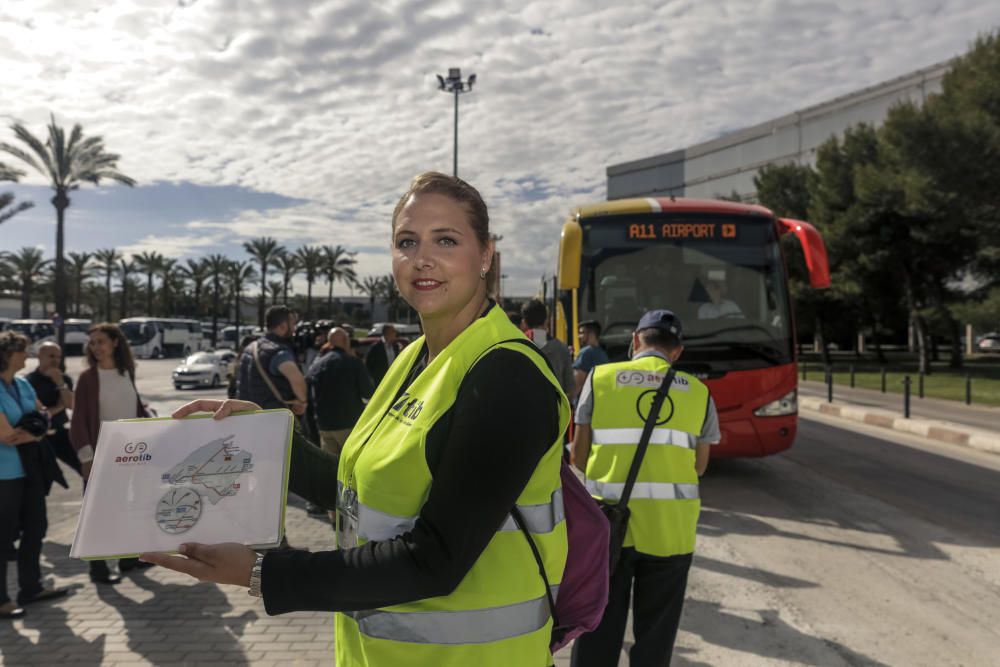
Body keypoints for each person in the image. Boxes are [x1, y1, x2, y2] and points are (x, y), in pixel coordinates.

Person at [143, 171, 571, 667]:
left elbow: (434, 562)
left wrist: (264, 573)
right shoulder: (414, 359)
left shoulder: (506, 375)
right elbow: (357, 492)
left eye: (446, 240)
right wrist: (265, 438)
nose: (422, 258)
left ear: (485, 255)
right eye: (406, 241)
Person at [569, 310, 720, 667]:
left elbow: (577, 455)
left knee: (598, 631)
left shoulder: (600, 378)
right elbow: (700, 466)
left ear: (635, 341)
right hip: (671, 534)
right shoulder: (700, 393)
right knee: (656, 638)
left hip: (608, 529)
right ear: (677, 352)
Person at [70, 323, 151, 585]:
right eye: (92, 343)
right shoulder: (88, 378)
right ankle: (98, 570)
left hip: (128, 456)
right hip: (100, 457)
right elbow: (78, 421)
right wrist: (86, 458)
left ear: (115, 343)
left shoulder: (126, 371)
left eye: (101, 341)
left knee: (125, 508)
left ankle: (128, 560)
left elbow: (135, 408)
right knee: (97, 514)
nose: (96, 347)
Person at [0, 330, 69, 618]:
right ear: (7, 354)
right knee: (3, 538)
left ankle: (31, 587)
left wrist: (35, 428)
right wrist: (38, 429)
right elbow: (8, 437)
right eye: (23, 351)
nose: (27, 356)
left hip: (31, 470)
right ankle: (1, 600)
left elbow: (46, 415)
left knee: (37, 527)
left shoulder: (22, 385)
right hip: (5, 475)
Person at [305, 327, 375, 523]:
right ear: (345, 341)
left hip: (325, 426)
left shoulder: (317, 364)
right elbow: (369, 392)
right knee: (352, 471)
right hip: (349, 426)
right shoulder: (353, 363)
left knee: (332, 471)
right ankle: (352, 513)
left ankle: (334, 515)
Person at [234, 306, 307, 416]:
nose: (294, 329)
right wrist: (303, 402)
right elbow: (297, 380)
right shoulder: (279, 353)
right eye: (292, 324)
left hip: (248, 419)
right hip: (273, 420)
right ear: (283, 326)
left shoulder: (250, 348)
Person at [26, 341, 81, 476]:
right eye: (51, 356)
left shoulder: (64, 379)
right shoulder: (29, 381)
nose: (55, 360)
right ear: (39, 356)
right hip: (39, 437)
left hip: (61, 432)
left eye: (58, 357)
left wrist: (60, 383)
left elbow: (70, 405)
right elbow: (36, 414)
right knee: (42, 479)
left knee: (86, 469)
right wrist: (58, 406)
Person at [521, 298, 574, 398]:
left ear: (525, 323)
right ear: (546, 321)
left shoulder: (518, 347)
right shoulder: (561, 348)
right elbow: (571, 389)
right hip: (553, 411)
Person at [573, 320, 609, 400]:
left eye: (582, 333)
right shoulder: (603, 354)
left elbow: (577, 385)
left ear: (592, 334)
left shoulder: (586, 353)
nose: (579, 336)